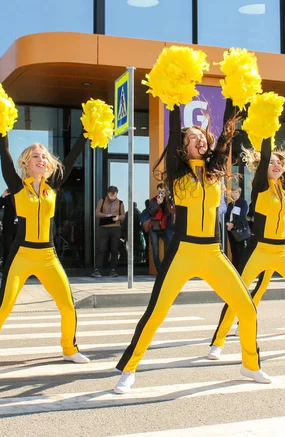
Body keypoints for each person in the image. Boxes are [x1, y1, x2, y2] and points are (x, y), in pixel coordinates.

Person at [114, 102, 271, 394]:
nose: (199, 139)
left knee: (246, 309)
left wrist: (231, 97)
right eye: (191, 137)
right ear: (183, 147)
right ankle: (129, 369)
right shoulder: (178, 172)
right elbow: (174, 132)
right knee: (156, 312)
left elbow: (226, 132)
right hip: (182, 251)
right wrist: (174, 99)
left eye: (201, 136)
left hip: (212, 251)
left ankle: (250, 364)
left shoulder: (214, 170)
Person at [0, 132, 90, 372]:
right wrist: (1, 127)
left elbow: (74, 155)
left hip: (48, 255)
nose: (41, 159)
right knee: (4, 306)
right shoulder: (17, 186)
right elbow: (4, 156)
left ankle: (70, 349)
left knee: (68, 305)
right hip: (21, 255)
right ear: (26, 162)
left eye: (44, 156)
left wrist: (86, 132)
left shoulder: (52, 186)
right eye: (36, 155)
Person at [209, 131, 285, 361]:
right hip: (259, 250)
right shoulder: (260, 186)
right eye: (272, 163)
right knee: (238, 296)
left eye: (280, 163)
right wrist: (266, 129)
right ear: (264, 166)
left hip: (282, 251)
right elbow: (266, 156)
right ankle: (218, 341)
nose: (276, 165)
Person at [91, 186, 125, 278]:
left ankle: (113, 270)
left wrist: (118, 217)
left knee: (114, 249)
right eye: (111, 196)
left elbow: (123, 215)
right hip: (104, 227)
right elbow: (97, 213)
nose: (112, 198)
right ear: (107, 193)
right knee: (101, 249)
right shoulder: (101, 201)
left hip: (116, 228)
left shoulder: (120, 203)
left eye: (114, 196)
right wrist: (107, 215)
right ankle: (97, 269)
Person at [147, 183, 174, 270]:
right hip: (154, 228)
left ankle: (167, 267)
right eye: (159, 191)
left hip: (164, 227)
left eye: (163, 191)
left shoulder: (168, 201)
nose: (161, 193)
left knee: (169, 245)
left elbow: (168, 213)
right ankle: (158, 268)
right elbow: (151, 212)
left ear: (165, 191)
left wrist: (164, 203)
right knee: (155, 249)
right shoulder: (153, 200)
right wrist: (158, 203)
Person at [225, 186, 249, 272]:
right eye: (233, 193)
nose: (234, 194)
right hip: (231, 230)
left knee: (240, 250)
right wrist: (227, 223)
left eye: (236, 193)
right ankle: (235, 269)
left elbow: (242, 215)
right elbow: (226, 216)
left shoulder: (243, 203)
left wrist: (233, 223)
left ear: (239, 193)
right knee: (233, 249)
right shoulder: (230, 204)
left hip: (239, 229)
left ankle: (241, 269)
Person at [0, 188, 17, 267]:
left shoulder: (23, 197)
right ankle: (6, 267)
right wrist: (3, 195)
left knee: (18, 249)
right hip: (9, 227)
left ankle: (16, 267)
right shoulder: (8, 197)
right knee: (8, 248)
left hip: (19, 227)